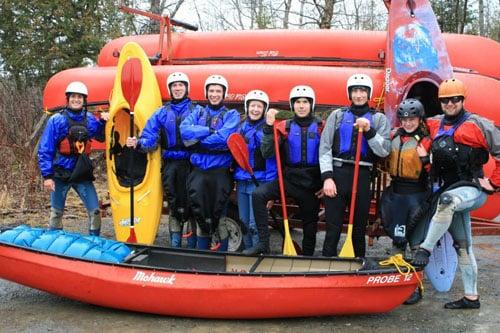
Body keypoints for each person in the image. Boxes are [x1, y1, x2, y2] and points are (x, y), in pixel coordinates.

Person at [412, 78, 500, 309]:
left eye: (454, 99)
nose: (450, 104)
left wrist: (494, 183)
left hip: (471, 189)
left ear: (462, 100)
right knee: (463, 245)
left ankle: (425, 250)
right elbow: (412, 129)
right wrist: (423, 156)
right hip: (447, 189)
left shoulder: (480, 126)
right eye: (445, 100)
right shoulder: (434, 124)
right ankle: (472, 297)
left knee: (447, 201)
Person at [125, 72, 202, 248]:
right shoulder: (161, 112)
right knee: (174, 203)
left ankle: (192, 245)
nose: (177, 88)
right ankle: (175, 244)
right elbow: (150, 139)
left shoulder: (197, 111)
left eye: (181, 85)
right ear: (170, 89)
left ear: (186, 88)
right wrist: (138, 142)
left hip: (193, 163)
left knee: (193, 202)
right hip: (171, 164)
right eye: (174, 86)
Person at [245, 85, 323, 256]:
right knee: (259, 195)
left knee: (310, 224)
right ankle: (264, 244)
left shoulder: (321, 127)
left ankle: (308, 256)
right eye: (297, 102)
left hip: (312, 183)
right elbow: (267, 152)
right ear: (292, 105)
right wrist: (267, 127)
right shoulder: (283, 127)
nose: (301, 106)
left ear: (311, 105)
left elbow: (328, 156)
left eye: (305, 102)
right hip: (289, 180)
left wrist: (325, 182)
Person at [319, 73, 390, 258]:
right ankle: (327, 265)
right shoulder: (338, 115)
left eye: (363, 91)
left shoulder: (379, 119)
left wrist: (369, 131)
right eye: (355, 91)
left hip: (363, 175)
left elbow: (384, 150)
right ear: (349, 94)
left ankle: (358, 266)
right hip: (337, 174)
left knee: (358, 228)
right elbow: (325, 147)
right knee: (333, 228)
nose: (359, 95)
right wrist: (327, 178)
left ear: (369, 94)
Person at [38, 81, 109, 235]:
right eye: (73, 97)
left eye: (80, 97)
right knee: (56, 213)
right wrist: (47, 176)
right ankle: (54, 242)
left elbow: (100, 136)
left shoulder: (90, 119)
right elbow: (45, 149)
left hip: (81, 172)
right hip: (60, 173)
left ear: (84, 100)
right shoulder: (56, 120)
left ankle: (94, 242)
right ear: (68, 99)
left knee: (95, 212)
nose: (76, 100)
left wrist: (103, 121)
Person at [379, 98, 432, 304]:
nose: (408, 123)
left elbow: (434, 173)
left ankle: (416, 285)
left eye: (413, 119)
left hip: (417, 195)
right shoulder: (394, 136)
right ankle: (395, 283)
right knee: (397, 239)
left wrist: (426, 159)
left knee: (415, 242)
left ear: (420, 119)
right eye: (404, 119)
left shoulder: (426, 141)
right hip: (397, 193)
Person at [179, 74, 240, 251]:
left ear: (224, 93)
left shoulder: (231, 114)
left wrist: (199, 141)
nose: (214, 94)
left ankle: (222, 256)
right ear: (207, 93)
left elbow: (225, 138)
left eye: (218, 91)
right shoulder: (197, 112)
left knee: (219, 215)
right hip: (198, 170)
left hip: (219, 171)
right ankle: (201, 253)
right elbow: (184, 130)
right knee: (199, 213)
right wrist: (209, 130)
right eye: (211, 91)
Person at [234, 90, 277, 250]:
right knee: (244, 222)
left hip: (259, 182)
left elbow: (272, 161)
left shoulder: (267, 129)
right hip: (242, 180)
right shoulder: (241, 127)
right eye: (252, 105)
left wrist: (271, 190)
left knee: (254, 223)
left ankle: (260, 253)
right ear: (247, 107)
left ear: (264, 109)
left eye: (259, 106)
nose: (255, 109)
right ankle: (247, 251)